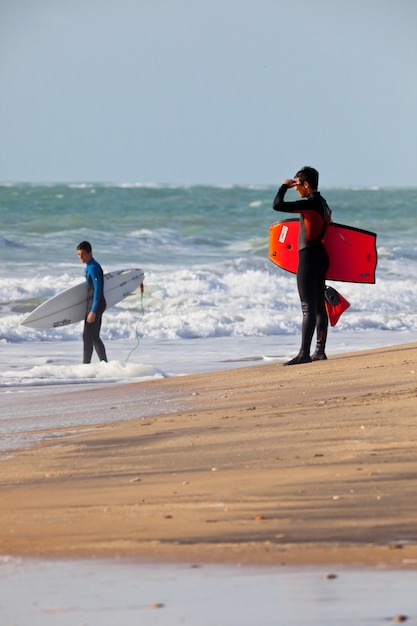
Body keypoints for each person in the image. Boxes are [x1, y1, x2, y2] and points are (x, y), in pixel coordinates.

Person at [272, 166, 331, 366]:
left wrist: (283, 186)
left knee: (308, 307)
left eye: (298, 185)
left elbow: (277, 205)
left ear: (306, 184)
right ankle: (319, 351)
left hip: (308, 257)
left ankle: (304, 354)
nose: (296, 188)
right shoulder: (323, 203)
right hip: (321, 256)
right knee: (319, 306)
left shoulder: (310, 204)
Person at [76, 241, 108, 364]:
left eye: (83, 254)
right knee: (94, 337)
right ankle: (104, 363)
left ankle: (86, 365)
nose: (80, 257)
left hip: (96, 305)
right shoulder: (89, 266)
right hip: (96, 304)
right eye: (78, 254)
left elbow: (98, 289)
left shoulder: (94, 267)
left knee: (87, 337)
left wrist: (93, 311)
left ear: (90, 253)